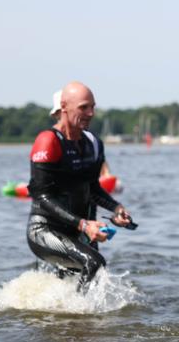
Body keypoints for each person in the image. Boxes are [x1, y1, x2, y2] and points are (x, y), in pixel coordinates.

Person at [27, 82, 134, 291]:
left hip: (77, 230)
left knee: (76, 277)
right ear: (64, 106)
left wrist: (116, 208)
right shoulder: (47, 141)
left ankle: (74, 321)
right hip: (45, 229)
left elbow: (92, 188)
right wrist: (84, 225)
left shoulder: (93, 144)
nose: (91, 113)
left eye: (93, 107)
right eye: (84, 107)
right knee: (94, 263)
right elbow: (41, 197)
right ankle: (79, 315)